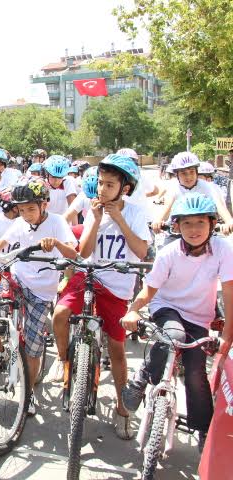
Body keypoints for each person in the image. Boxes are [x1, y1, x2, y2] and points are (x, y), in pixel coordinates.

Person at [47, 154, 150, 439]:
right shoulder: (94, 210)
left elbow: (141, 252)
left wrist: (118, 218)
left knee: (116, 349)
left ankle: (122, 410)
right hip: (89, 277)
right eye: (100, 183)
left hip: (117, 288)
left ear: (124, 188)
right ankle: (64, 359)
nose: (102, 190)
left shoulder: (136, 212)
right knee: (60, 314)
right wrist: (95, 219)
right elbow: (85, 252)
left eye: (109, 185)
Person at [121, 192, 233, 452]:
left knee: (195, 372)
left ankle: (203, 429)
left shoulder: (224, 250)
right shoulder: (169, 252)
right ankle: (142, 378)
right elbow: (150, 289)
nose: (194, 230)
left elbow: (229, 291)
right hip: (167, 307)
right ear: (177, 226)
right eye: (187, 224)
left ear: (212, 224)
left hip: (199, 316)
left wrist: (227, 332)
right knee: (173, 334)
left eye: (200, 223)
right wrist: (133, 310)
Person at [0, 178, 77, 414]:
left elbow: (73, 252)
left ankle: (29, 394)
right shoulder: (21, 224)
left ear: (44, 205)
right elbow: (0, 244)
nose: (26, 214)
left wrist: (56, 244)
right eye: (21, 210)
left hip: (42, 292)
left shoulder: (57, 222)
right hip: (17, 280)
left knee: (33, 350)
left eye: (31, 209)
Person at [151, 152, 233, 235]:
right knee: (167, 247)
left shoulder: (207, 186)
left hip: (204, 231)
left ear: (197, 172)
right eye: (183, 173)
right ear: (177, 175)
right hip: (178, 231)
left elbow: (219, 205)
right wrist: (158, 220)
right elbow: (167, 208)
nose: (188, 177)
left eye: (192, 172)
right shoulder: (174, 187)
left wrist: (229, 221)